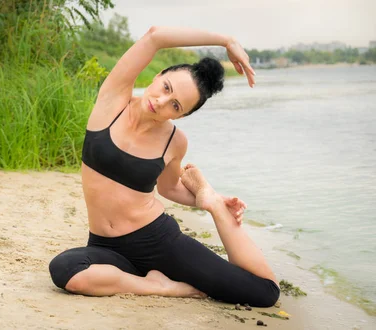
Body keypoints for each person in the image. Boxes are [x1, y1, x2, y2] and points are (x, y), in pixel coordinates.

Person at [48, 26, 280, 307]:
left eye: (175, 105)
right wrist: (226, 40)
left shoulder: (174, 141)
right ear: (157, 76)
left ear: (181, 115)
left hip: (159, 243)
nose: (160, 102)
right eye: (166, 87)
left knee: (264, 293)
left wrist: (211, 200)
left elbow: (169, 188)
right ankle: (158, 286)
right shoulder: (112, 101)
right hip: (104, 244)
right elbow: (155, 37)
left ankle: (214, 210)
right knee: (65, 270)